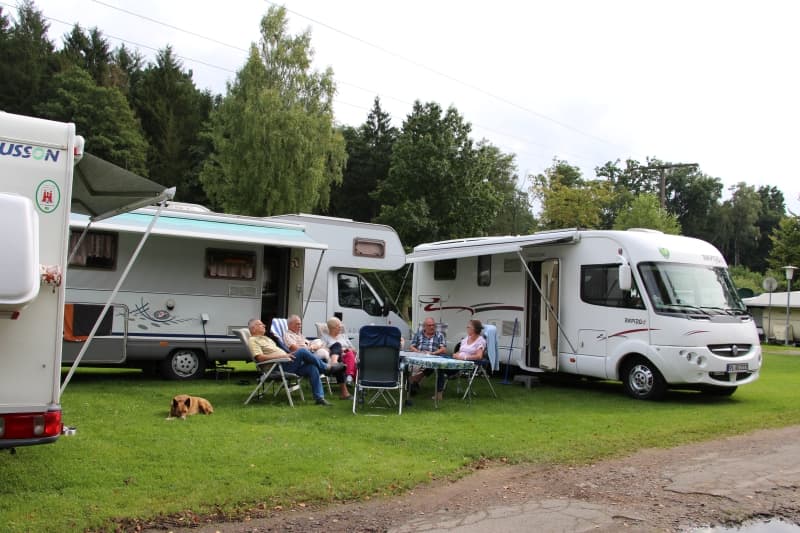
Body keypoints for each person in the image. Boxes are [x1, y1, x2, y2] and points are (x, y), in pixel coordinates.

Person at [246, 318, 341, 407]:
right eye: (260, 324)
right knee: (303, 351)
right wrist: (283, 356)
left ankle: (319, 398)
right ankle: (326, 368)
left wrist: (287, 355)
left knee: (312, 367)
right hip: (277, 367)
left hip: (286, 363)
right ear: (253, 329)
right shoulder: (253, 340)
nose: (264, 325)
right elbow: (260, 358)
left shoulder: (266, 339)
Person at [285, 314, 351, 400]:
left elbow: (309, 344)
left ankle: (320, 398)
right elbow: (297, 350)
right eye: (297, 324)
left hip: (311, 358)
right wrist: (312, 347)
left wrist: (316, 345)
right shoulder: (288, 335)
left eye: (300, 324)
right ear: (290, 325)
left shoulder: (299, 335)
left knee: (336, 346)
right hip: (299, 360)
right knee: (304, 351)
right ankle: (329, 367)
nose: (300, 326)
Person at [433, 319, 486, 402]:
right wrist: (456, 354)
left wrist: (463, 358)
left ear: (474, 329)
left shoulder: (480, 341)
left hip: (465, 363)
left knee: (441, 367)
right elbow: (460, 351)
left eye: (468, 327)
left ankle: (439, 394)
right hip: (457, 360)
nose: (467, 328)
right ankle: (439, 392)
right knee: (440, 359)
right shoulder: (466, 338)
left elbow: (479, 356)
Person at [407, 317, 447, 395]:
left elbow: (443, 349)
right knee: (410, 367)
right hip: (419, 357)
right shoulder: (418, 334)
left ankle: (414, 381)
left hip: (432, 357)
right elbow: (412, 346)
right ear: (424, 326)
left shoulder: (439, 335)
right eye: (429, 325)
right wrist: (419, 352)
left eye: (433, 325)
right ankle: (414, 384)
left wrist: (433, 353)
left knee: (434, 365)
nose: (432, 327)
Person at [320, 317, 357, 385]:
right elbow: (323, 349)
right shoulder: (325, 337)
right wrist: (338, 351)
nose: (340, 328)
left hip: (347, 355)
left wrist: (347, 349)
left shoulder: (343, 336)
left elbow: (354, 349)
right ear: (332, 328)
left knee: (350, 354)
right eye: (338, 326)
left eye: (340, 326)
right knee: (350, 355)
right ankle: (349, 377)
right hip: (336, 358)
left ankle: (349, 377)